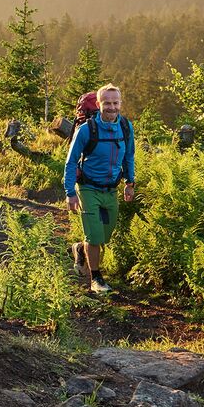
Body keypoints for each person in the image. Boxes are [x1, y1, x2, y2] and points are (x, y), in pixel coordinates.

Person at [63, 83, 136, 295]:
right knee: (95, 238)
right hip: (87, 188)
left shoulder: (125, 126)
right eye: (107, 103)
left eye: (115, 103)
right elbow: (70, 162)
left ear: (120, 103)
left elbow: (129, 155)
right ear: (98, 104)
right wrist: (70, 193)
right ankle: (96, 278)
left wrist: (129, 183)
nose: (112, 107)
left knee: (105, 235)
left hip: (111, 189)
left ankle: (79, 248)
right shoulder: (86, 130)